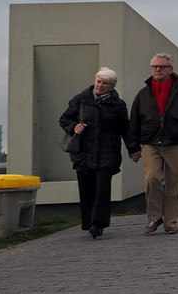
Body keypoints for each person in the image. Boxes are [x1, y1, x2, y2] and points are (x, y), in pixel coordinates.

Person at [129, 53, 178, 235]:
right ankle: (154, 217)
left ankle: (170, 221)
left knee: (173, 183)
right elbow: (134, 121)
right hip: (151, 143)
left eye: (161, 67)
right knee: (151, 179)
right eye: (154, 67)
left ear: (170, 70)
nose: (157, 70)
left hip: (176, 143)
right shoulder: (143, 94)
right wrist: (133, 147)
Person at [58, 67, 139, 239]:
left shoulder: (118, 105)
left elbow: (126, 129)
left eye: (105, 83)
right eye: (98, 81)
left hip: (107, 153)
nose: (100, 85)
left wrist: (133, 149)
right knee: (86, 189)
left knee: (102, 188)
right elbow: (64, 119)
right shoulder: (80, 100)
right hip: (83, 153)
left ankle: (99, 223)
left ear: (112, 86)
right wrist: (74, 127)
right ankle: (88, 221)